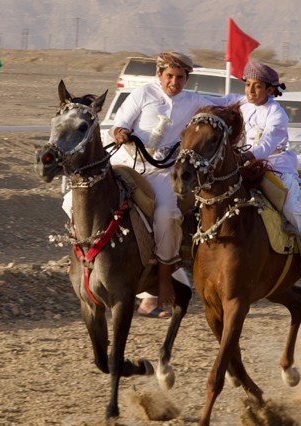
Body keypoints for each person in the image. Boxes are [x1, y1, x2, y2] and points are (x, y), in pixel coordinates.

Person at [109, 51, 236, 318]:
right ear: (159, 75)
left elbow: (226, 102)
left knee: (167, 215)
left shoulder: (194, 102)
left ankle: (164, 280)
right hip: (127, 164)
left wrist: (256, 98)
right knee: (82, 199)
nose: (174, 82)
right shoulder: (142, 94)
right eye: (169, 76)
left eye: (180, 77)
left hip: (162, 173)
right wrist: (121, 132)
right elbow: (119, 124)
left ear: (187, 78)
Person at [237, 62, 301, 284]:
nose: (250, 90)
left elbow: (266, 146)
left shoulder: (277, 114)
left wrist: (244, 157)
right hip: (241, 163)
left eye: (257, 86)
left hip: (274, 166)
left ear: (270, 90)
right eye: (248, 85)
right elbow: (215, 102)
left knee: (291, 207)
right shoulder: (242, 104)